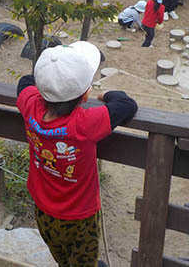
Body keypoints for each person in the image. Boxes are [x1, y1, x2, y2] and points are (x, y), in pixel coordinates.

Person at [16, 41, 138, 267]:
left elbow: (24, 82)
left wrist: (47, 81)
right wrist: (107, 95)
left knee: (61, 255)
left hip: (42, 207)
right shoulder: (84, 123)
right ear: (84, 97)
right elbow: (127, 105)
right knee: (84, 260)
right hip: (80, 216)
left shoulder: (30, 106)